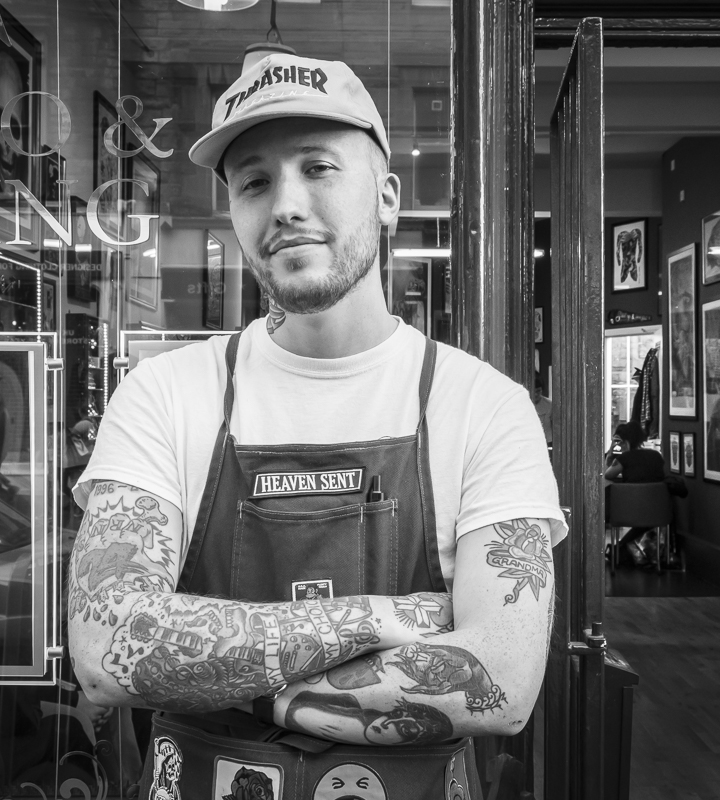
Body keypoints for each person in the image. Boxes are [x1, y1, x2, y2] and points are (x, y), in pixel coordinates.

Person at [66, 54, 565, 800]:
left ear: (387, 197)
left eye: (319, 167)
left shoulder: (483, 406)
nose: (286, 206)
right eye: (254, 182)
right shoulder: (165, 395)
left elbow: (501, 683)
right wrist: (387, 617)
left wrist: (226, 679)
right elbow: (108, 650)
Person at [604, 421, 684, 567]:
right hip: (657, 513)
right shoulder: (656, 456)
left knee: (609, 493)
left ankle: (617, 549)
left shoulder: (624, 458)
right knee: (645, 510)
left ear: (625, 442)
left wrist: (611, 453)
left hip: (628, 514)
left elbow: (608, 474)